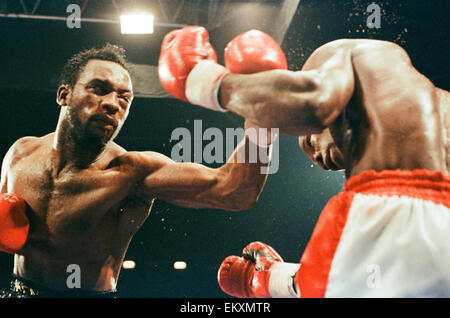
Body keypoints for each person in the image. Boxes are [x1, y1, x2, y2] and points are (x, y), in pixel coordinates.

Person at [157, 26, 449, 297]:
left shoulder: (347, 53)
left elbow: (311, 103)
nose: (318, 159)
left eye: (308, 139)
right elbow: (238, 191)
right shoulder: (434, 110)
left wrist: (201, 80)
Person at [0, 43, 276, 298]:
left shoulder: (132, 173)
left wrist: (264, 119)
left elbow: (235, 191)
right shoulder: (20, 154)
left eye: (124, 98)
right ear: (64, 94)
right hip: (17, 290)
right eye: (99, 89)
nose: (112, 104)